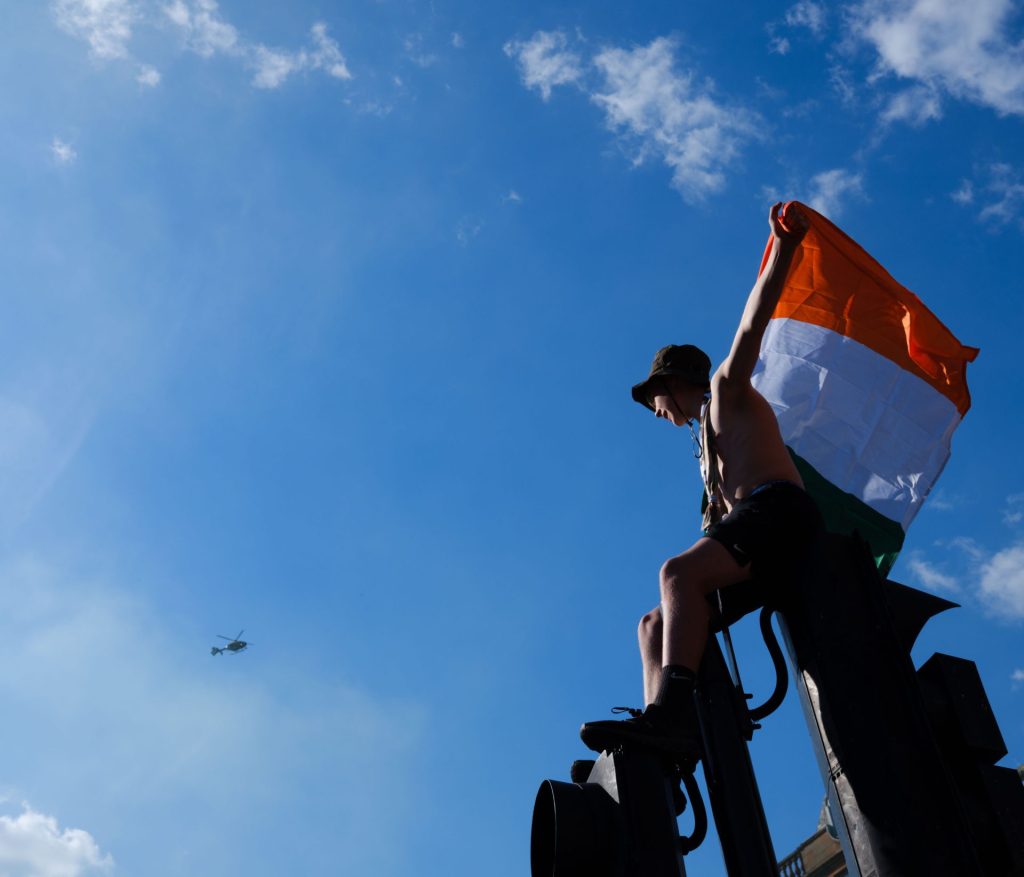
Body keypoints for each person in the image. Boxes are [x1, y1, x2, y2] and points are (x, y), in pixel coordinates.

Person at [580, 202, 822, 761]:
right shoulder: (705, 448)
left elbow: (751, 325)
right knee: (652, 623)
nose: (654, 410)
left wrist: (784, 246)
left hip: (780, 511)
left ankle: (670, 715)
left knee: (676, 571)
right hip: (752, 526)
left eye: (652, 397)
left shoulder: (728, 390)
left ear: (672, 382)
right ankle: (657, 740)